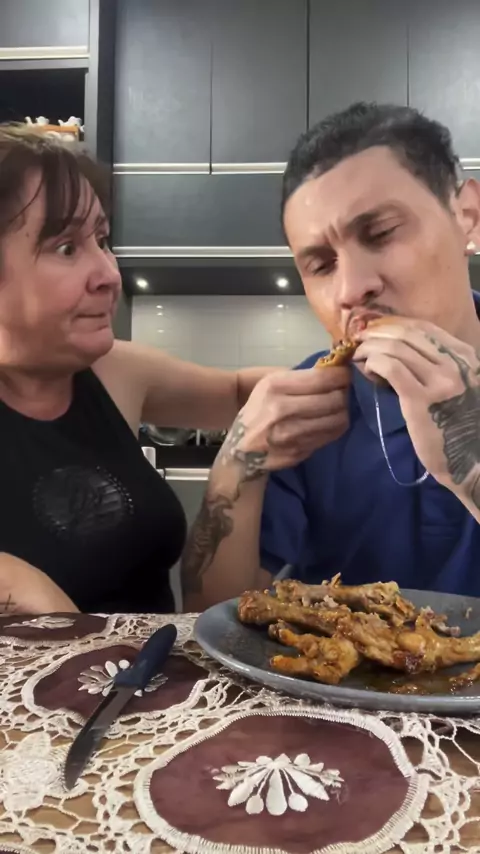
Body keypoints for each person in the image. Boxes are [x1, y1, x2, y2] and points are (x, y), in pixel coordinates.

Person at [181, 102, 480, 611]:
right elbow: (213, 616)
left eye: (381, 233)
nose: (350, 289)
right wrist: (237, 466)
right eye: (321, 265)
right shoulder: (310, 409)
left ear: (466, 216)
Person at [0, 123, 287, 616]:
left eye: (102, 239)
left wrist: (362, 373)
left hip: (159, 664)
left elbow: (242, 392)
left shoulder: (114, 371)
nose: (109, 274)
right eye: (66, 248)